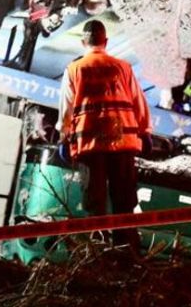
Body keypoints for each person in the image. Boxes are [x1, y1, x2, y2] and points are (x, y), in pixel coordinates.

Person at [58, 20, 151, 250]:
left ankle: (97, 252)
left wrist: (63, 136)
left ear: (83, 43)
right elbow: (139, 102)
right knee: (124, 201)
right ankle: (127, 251)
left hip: (90, 146)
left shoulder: (74, 69)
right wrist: (145, 131)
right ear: (105, 42)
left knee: (95, 203)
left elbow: (66, 108)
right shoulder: (123, 67)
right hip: (123, 143)